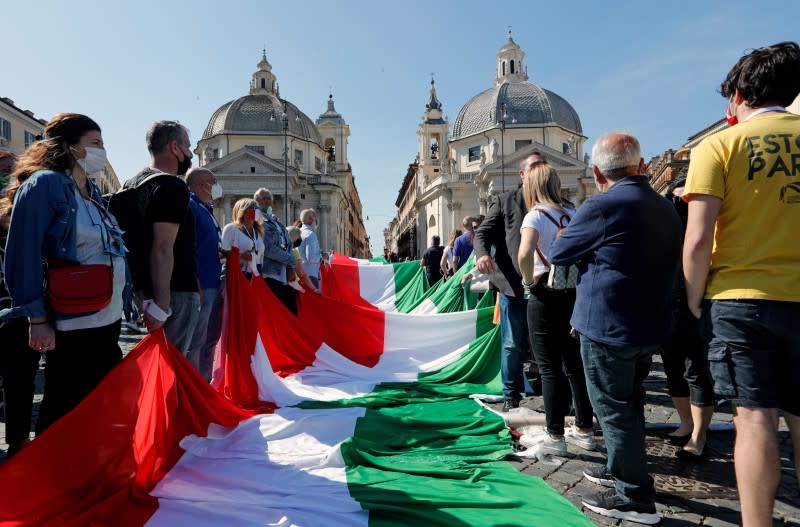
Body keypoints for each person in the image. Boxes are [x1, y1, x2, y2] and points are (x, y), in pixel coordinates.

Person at [682, 42, 800, 527]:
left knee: (754, 420)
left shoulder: (717, 146)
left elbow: (697, 239)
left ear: (737, 95)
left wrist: (694, 299)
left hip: (740, 299)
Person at [551, 132, 681, 524]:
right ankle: (623, 468)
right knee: (632, 402)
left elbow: (559, 252)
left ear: (596, 170)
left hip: (607, 324)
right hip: (650, 323)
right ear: (641, 166)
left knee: (614, 410)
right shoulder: (664, 205)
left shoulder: (602, 206)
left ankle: (634, 497)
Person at [0, 113, 126, 434]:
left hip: (105, 317)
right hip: (73, 320)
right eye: (95, 143)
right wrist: (37, 320)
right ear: (72, 147)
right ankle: (52, 475)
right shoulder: (45, 184)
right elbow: (23, 253)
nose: (102, 150)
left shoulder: (91, 193)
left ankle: (89, 471)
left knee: (100, 402)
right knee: (65, 406)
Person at [517, 163, 595, 456]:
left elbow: (525, 253)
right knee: (575, 366)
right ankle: (585, 429)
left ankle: (555, 435)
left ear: (532, 187)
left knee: (549, 368)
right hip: (574, 293)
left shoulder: (535, 216)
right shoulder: (573, 214)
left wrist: (527, 281)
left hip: (544, 294)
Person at [474, 152, 546, 411]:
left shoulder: (553, 204)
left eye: (542, 167)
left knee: (548, 344)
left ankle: (554, 393)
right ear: (522, 175)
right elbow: (482, 233)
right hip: (514, 287)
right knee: (513, 343)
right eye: (534, 167)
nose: (539, 172)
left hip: (548, 288)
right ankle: (511, 395)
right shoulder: (505, 201)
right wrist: (482, 254)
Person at [126, 120, 199, 357]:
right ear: (174, 147)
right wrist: (163, 304)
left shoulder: (132, 183)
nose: (190, 153)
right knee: (173, 363)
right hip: (171, 291)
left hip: (143, 289)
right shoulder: (171, 186)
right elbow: (163, 247)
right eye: (188, 146)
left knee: (159, 361)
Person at [661, 174, 714, 459]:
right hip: (669, 298)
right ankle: (686, 424)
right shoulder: (666, 216)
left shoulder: (710, 215)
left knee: (696, 367)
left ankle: (699, 435)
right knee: (673, 365)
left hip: (699, 297)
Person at [0, 151, 40, 456]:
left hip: (18, 306)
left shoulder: (22, 210)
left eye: (9, 172)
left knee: (20, 376)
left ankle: (18, 439)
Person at [185, 167, 224, 381]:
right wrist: (196, 283)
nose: (217, 185)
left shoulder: (206, 209)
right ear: (203, 185)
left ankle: (205, 382)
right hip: (202, 285)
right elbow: (188, 249)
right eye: (214, 181)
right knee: (197, 341)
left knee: (209, 339)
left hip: (213, 282)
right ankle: (195, 386)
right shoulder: (191, 207)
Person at [254, 188, 297, 314]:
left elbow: (288, 243)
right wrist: (291, 260)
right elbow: (269, 249)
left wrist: (290, 266)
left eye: (269, 198)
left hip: (283, 274)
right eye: (263, 198)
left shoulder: (276, 221)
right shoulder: (259, 221)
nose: (267, 201)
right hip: (269, 274)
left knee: (289, 312)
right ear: (256, 201)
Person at [221, 198, 264, 278]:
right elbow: (221, 255)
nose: (253, 212)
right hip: (236, 276)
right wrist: (240, 256)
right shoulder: (231, 228)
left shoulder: (258, 233)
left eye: (256, 209)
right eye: (250, 210)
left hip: (255, 277)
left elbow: (260, 258)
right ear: (241, 211)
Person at [287, 226, 321, 294]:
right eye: (299, 237)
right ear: (294, 237)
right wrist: (314, 289)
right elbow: (301, 273)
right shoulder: (294, 251)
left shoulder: (282, 249)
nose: (301, 239)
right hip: (291, 287)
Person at [298, 208, 322, 290]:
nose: (316, 220)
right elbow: (311, 258)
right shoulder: (310, 234)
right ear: (310, 219)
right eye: (315, 217)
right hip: (311, 275)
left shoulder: (298, 232)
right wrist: (322, 258)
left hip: (300, 274)